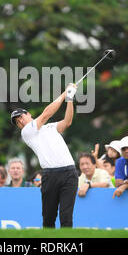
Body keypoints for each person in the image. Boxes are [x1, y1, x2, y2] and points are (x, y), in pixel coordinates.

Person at [11, 83, 78, 228]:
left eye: (21, 117)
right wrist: (65, 93)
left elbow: (67, 122)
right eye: (17, 122)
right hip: (50, 175)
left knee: (66, 216)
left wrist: (70, 99)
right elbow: (47, 113)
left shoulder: (49, 127)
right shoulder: (27, 132)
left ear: (29, 114)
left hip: (70, 173)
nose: (20, 122)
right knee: (49, 217)